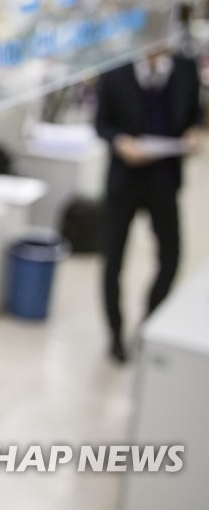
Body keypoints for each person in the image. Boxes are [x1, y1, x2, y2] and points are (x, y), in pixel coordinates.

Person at [95, 45, 203, 363]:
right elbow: (102, 123)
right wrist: (121, 143)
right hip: (125, 180)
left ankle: (147, 326)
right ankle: (115, 335)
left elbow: (193, 113)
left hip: (164, 178)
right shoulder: (116, 70)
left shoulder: (185, 68)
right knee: (113, 260)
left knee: (171, 256)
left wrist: (193, 132)